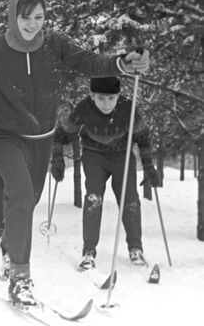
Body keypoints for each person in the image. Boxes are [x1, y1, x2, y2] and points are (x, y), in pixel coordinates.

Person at [0, 0, 150, 307]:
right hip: (5, 135)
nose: (33, 24)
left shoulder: (55, 45)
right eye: (26, 17)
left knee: (28, 199)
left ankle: (8, 246)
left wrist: (122, 63)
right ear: (12, 14)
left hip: (42, 136)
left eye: (39, 16)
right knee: (18, 191)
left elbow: (90, 61)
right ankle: (21, 278)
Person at [51, 76, 160, 271]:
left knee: (130, 201)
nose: (106, 104)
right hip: (94, 157)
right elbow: (61, 134)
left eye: (111, 98)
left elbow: (143, 137)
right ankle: (88, 252)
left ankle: (136, 249)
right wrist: (57, 159)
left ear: (118, 95)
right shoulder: (84, 108)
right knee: (93, 199)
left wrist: (149, 167)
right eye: (101, 98)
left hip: (122, 157)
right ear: (92, 96)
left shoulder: (128, 108)